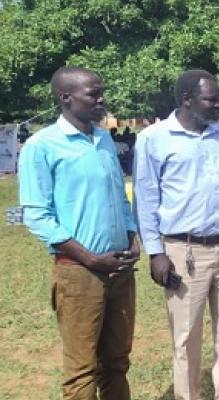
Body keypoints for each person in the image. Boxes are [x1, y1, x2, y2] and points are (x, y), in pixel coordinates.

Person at [19, 67, 140, 400]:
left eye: (102, 92)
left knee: (116, 363)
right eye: (93, 94)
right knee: (82, 370)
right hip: (79, 273)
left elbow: (119, 197)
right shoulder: (41, 146)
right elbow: (37, 216)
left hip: (119, 269)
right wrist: (90, 258)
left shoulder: (103, 139)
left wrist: (132, 237)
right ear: (65, 98)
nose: (102, 100)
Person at [134, 69, 219, 400]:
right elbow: (145, 200)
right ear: (187, 99)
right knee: (186, 336)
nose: (218, 105)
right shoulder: (153, 139)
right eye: (210, 99)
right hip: (183, 251)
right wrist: (155, 253)